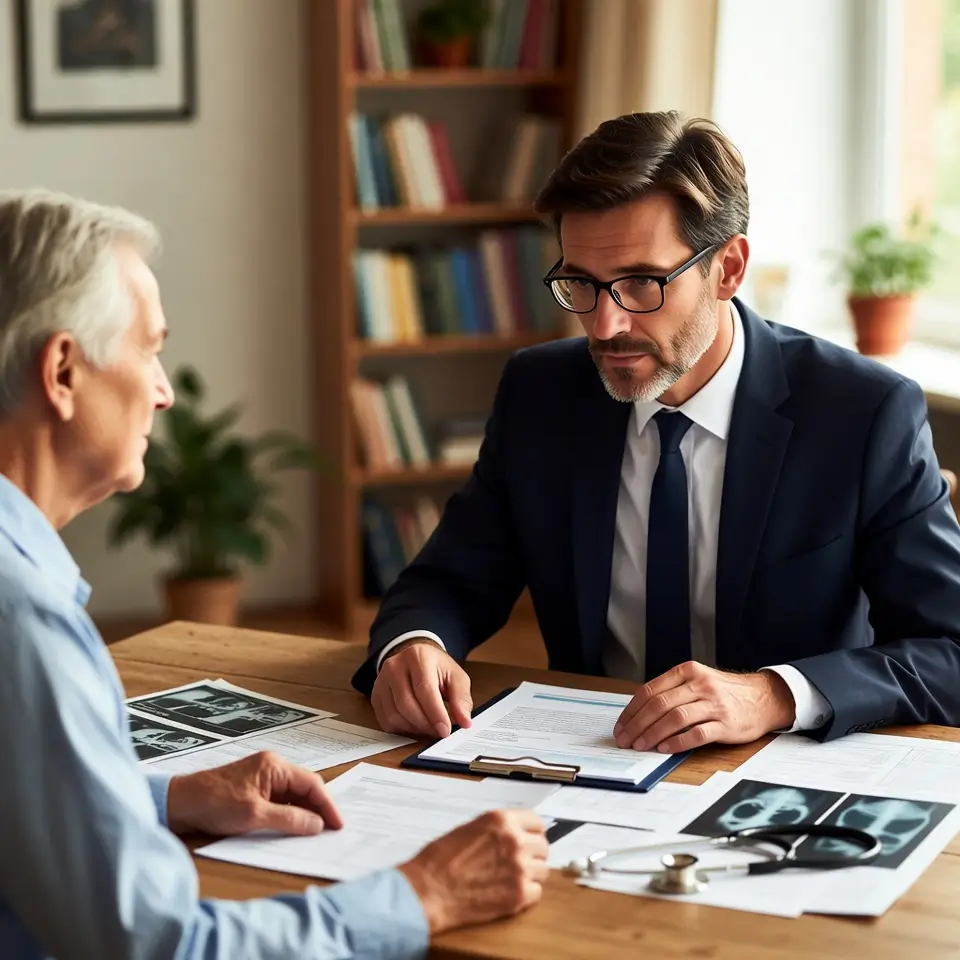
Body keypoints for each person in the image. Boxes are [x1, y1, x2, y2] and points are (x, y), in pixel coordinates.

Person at [0, 189, 548, 960]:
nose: (163, 390)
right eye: (150, 349)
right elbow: (158, 946)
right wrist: (423, 895)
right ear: (62, 370)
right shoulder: (23, 620)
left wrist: (171, 796)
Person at [353, 110, 960, 753]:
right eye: (579, 283)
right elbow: (450, 578)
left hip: (777, 770)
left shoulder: (862, 413)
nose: (604, 325)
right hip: (587, 755)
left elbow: (949, 649)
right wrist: (414, 644)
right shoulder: (541, 392)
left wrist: (775, 694)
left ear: (727, 268)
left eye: (641, 282)